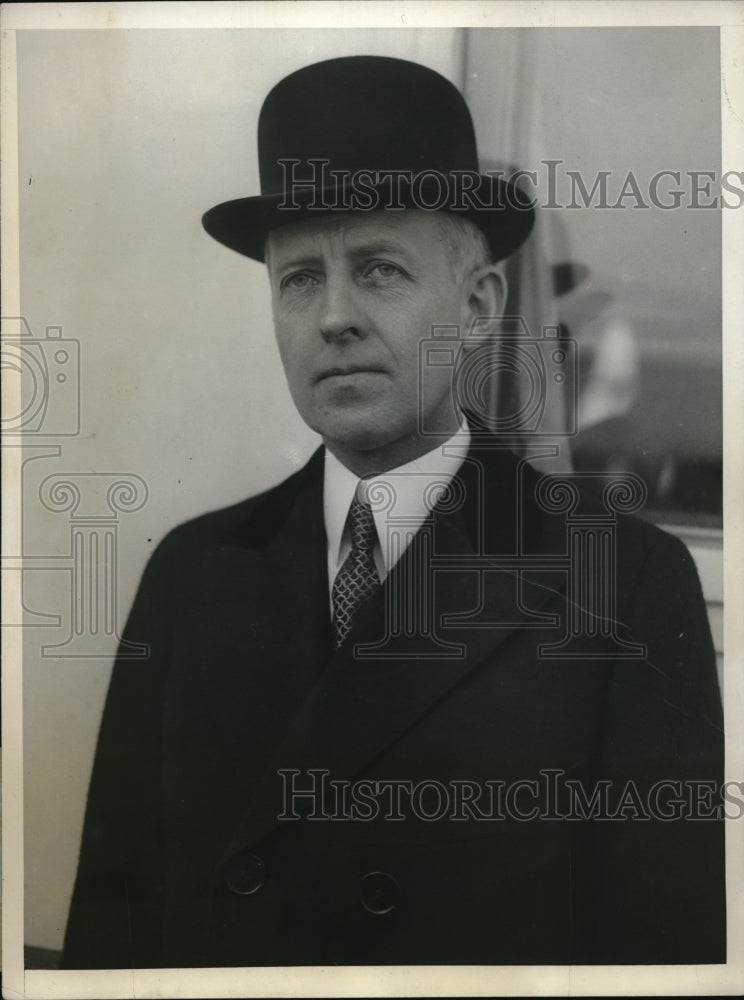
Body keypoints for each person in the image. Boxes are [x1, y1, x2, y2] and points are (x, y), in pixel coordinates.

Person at [61, 55, 725, 969]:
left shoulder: (625, 580)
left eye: (379, 269)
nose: (333, 317)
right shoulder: (193, 571)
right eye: (299, 279)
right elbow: (116, 919)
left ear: (480, 304)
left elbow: (664, 950)